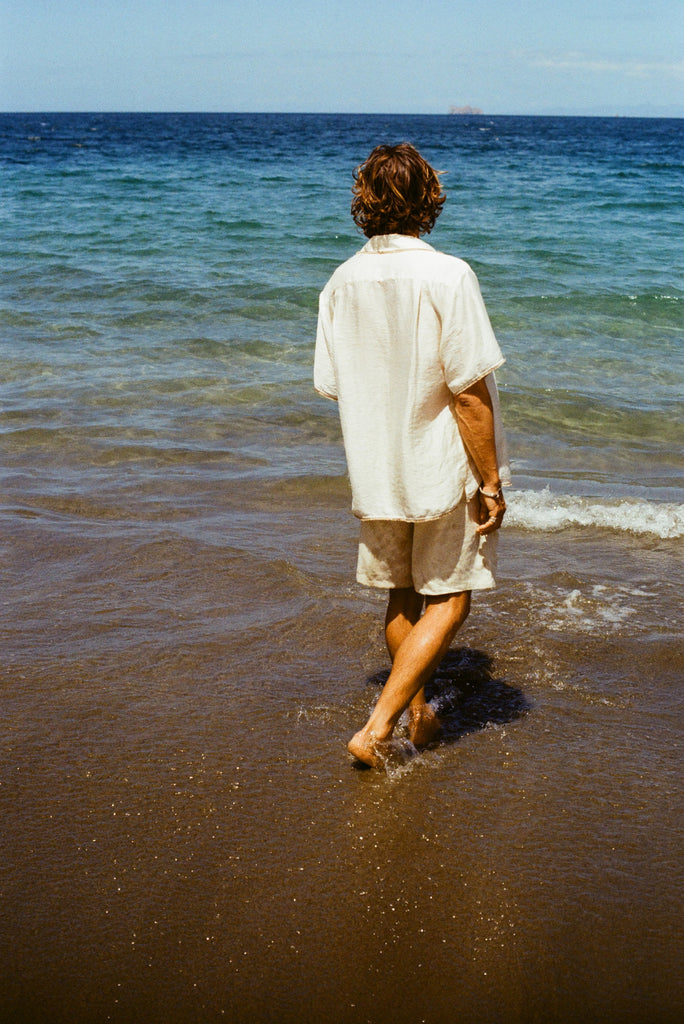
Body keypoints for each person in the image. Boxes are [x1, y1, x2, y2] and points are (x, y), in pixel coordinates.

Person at [314, 143, 509, 768]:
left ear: (363, 201)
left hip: (376, 464)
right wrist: (490, 481)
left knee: (401, 596)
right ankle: (377, 727)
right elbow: (470, 392)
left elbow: (336, 382)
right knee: (449, 598)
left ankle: (418, 714)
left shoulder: (340, 281)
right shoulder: (449, 273)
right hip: (439, 464)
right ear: (430, 200)